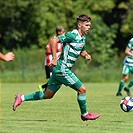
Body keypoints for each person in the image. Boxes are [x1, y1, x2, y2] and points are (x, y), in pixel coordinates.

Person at [13, 14, 100, 121]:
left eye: (89, 25)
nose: (89, 27)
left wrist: (86, 55)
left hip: (60, 70)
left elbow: (82, 51)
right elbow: (53, 40)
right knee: (82, 89)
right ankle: (84, 114)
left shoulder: (83, 38)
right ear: (79, 25)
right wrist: (54, 58)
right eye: (86, 25)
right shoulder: (72, 35)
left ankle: (21, 97)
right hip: (62, 69)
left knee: (48, 94)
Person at [38, 26, 65, 91]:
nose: (64, 33)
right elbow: (47, 51)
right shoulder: (53, 40)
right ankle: (44, 89)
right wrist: (57, 51)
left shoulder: (62, 41)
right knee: (53, 78)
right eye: (63, 32)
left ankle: (43, 88)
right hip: (50, 62)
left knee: (55, 78)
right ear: (59, 32)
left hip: (57, 63)